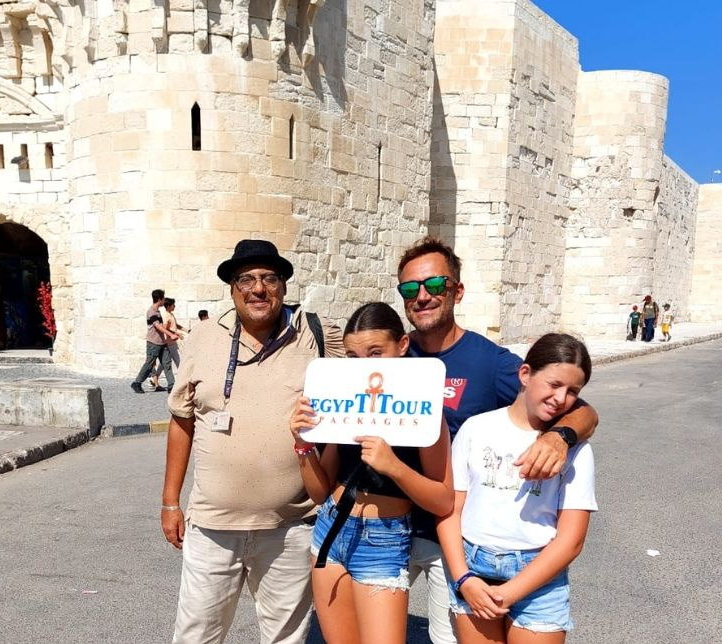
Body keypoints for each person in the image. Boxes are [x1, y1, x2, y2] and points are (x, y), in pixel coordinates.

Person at [396, 236, 599, 644]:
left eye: (434, 285)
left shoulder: (490, 361)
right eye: (410, 288)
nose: (422, 296)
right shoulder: (394, 353)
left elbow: (579, 408)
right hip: (391, 526)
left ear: (457, 291)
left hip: (450, 535)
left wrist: (560, 437)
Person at [161, 239, 345, 644]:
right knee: (196, 636)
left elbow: (357, 398)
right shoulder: (203, 337)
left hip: (291, 526)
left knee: (285, 638)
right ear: (232, 289)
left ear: (283, 286)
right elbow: (182, 421)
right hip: (212, 526)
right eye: (246, 279)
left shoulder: (316, 335)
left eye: (269, 278)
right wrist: (170, 502)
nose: (258, 289)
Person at [289, 302, 454, 644]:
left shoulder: (423, 411)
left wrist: (394, 466)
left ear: (402, 345)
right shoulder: (345, 404)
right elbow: (319, 492)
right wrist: (303, 444)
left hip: (383, 539)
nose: (364, 365)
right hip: (330, 528)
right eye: (353, 356)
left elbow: (443, 499)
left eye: (375, 353)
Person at [437, 333, 597, 643]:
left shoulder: (575, 450)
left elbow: (571, 540)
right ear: (525, 374)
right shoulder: (476, 429)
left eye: (572, 391)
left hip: (538, 579)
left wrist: (509, 593)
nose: (560, 398)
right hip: (473, 570)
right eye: (554, 384)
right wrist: (463, 578)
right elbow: (451, 511)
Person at [131, 289, 180, 393]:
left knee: (167, 363)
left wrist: (171, 334)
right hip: (153, 343)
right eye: (163, 298)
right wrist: (171, 334)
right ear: (159, 299)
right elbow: (157, 326)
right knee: (149, 364)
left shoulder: (158, 312)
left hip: (162, 343)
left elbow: (162, 326)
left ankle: (171, 386)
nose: (164, 300)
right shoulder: (151, 312)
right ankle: (137, 383)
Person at [153, 298, 185, 387]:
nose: (175, 306)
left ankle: (155, 378)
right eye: (173, 305)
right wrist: (176, 333)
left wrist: (186, 330)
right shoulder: (166, 316)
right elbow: (165, 328)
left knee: (164, 363)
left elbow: (175, 325)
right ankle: (183, 382)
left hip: (172, 342)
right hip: (169, 343)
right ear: (168, 306)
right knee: (179, 362)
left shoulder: (171, 315)